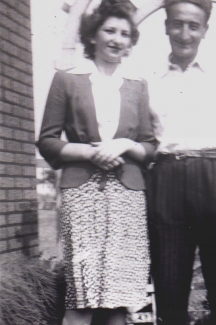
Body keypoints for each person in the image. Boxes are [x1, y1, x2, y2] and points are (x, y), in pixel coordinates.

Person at [37, 1, 156, 324]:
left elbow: (150, 147)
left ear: (132, 40)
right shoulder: (67, 79)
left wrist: (124, 144)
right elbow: (47, 141)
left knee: (118, 299)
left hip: (126, 196)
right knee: (83, 296)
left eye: (125, 33)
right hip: (83, 193)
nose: (117, 39)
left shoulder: (137, 85)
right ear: (93, 35)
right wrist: (91, 152)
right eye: (110, 31)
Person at [146, 0, 216, 324]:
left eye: (193, 26)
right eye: (177, 24)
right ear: (166, 26)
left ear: (205, 30)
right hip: (166, 180)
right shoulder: (150, 79)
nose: (185, 33)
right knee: (169, 289)